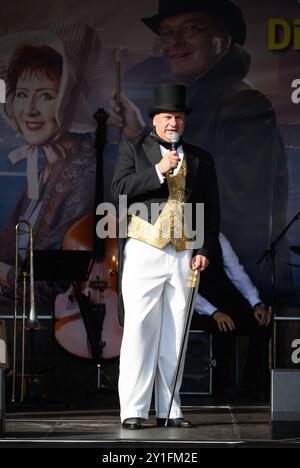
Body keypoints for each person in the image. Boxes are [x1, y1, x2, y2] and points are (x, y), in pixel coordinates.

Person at [109, 0, 289, 300]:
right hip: (196, 265)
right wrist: (138, 134)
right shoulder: (197, 99)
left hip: (229, 277)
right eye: (166, 33)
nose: (174, 43)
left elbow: (235, 209)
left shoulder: (245, 104)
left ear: (225, 39)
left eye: (190, 29)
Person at [111, 83, 220, 429]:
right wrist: (158, 169)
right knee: (140, 331)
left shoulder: (201, 158)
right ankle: (133, 410)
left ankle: (170, 409)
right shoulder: (134, 148)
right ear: (155, 119)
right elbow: (119, 190)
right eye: (168, 116)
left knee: (175, 334)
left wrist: (203, 248)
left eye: (179, 117)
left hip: (183, 254)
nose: (174, 122)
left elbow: (211, 209)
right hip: (144, 248)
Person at [0, 22, 99, 305]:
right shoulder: (48, 165)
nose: (30, 110)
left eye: (45, 95)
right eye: (21, 94)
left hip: (57, 328)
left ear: (67, 100)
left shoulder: (84, 171)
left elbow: (55, 284)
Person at [191, 232, 272, 397]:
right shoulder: (180, 239)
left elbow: (237, 273)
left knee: (261, 323)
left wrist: (256, 303)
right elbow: (184, 287)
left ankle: (253, 383)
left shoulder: (218, 238)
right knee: (223, 326)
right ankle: (221, 383)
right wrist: (213, 312)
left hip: (221, 302)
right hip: (195, 307)